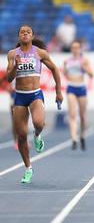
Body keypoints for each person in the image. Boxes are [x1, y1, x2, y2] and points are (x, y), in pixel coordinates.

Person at [6, 25, 63, 183]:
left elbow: (55, 70)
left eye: (28, 32)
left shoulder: (39, 52)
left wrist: (58, 92)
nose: (25, 34)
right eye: (22, 32)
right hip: (20, 96)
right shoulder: (12, 54)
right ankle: (28, 168)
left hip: (35, 94)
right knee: (22, 135)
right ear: (19, 36)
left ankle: (38, 135)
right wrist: (15, 66)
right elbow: (9, 79)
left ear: (32, 35)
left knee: (39, 123)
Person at [63, 40, 93, 150]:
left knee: (82, 116)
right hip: (71, 87)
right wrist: (67, 72)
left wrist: (83, 67)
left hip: (81, 88)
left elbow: (91, 74)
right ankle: (74, 138)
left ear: (80, 49)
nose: (75, 49)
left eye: (77, 47)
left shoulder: (84, 60)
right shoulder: (67, 61)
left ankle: (82, 135)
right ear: (71, 49)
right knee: (72, 114)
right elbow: (65, 74)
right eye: (73, 47)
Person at [0, 75, 17, 149]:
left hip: (23, 97)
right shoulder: (12, 70)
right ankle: (16, 141)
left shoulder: (25, 70)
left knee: (23, 121)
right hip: (14, 98)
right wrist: (7, 88)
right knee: (15, 122)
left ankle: (24, 140)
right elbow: (2, 81)